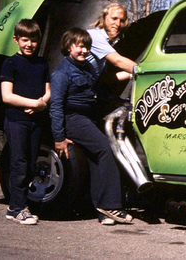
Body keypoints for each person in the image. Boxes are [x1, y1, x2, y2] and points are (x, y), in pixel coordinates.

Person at [49, 28, 133, 226]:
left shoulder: (86, 67)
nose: (84, 51)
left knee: (96, 159)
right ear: (68, 47)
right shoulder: (62, 73)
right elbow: (56, 107)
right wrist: (59, 138)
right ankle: (112, 205)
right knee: (105, 149)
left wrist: (130, 77)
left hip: (87, 116)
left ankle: (103, 211)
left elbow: (100, 85)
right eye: (79, 46)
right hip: (73, 118)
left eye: (87, 47)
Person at [0, 19, 50, 225]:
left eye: (33, 40)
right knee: (19, 164)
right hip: (16, 121)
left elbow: (48, 92)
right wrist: (34, 103)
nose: (29, 44)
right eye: (24, 39)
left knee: (30, 164)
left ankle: (16, 207)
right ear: (16, 40)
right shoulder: (10, 63)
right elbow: (7, 96)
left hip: (35, 122)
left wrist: (42, 104)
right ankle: (18, 208)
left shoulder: (42, 63)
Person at [87, 3, 136, 81]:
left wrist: (132, 73)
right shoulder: (94, 36)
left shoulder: (107, 42)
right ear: (104, 18)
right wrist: (146, 71)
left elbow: (106, 78)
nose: (118, 24)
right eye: (114, 18)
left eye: (122, 21)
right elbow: (118, 61)